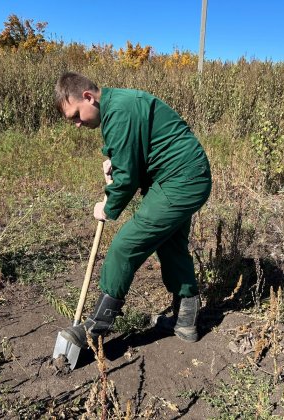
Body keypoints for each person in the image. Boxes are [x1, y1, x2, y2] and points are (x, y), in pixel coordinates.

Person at [54, 72, 211, 347]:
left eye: (76, 115)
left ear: (88, 97)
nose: (77, 124)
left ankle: (95, 330)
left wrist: (108, 205)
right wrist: (117, 160)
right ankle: (186, 321)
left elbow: (127, 178)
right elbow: (136, 153)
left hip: (181, 180)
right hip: (182, 177)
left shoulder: (119, 112)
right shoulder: (118, 105)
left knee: (124, 247)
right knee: (171, 246)